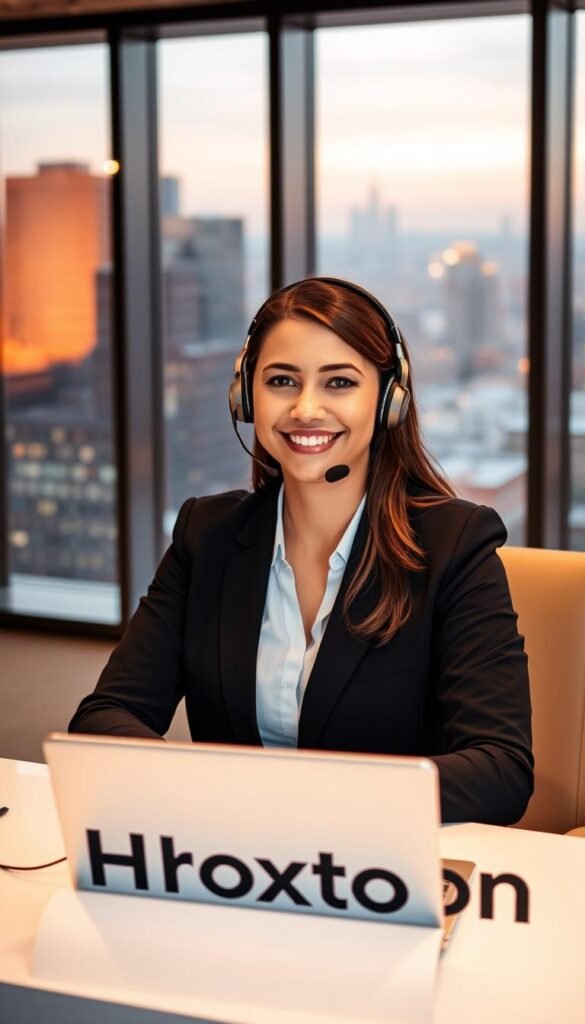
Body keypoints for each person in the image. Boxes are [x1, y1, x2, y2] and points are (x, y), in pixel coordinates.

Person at [69, 276, 533, 825]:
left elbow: (500, 769)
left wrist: (300, 800)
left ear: (388, 400)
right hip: (233, 854)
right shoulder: (206, 534)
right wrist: (210, 797)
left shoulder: (455, 544)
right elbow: (104, 717)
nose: (306, 408)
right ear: (247, 396)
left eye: (339, 382)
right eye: (282, 381)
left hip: (379, 861)